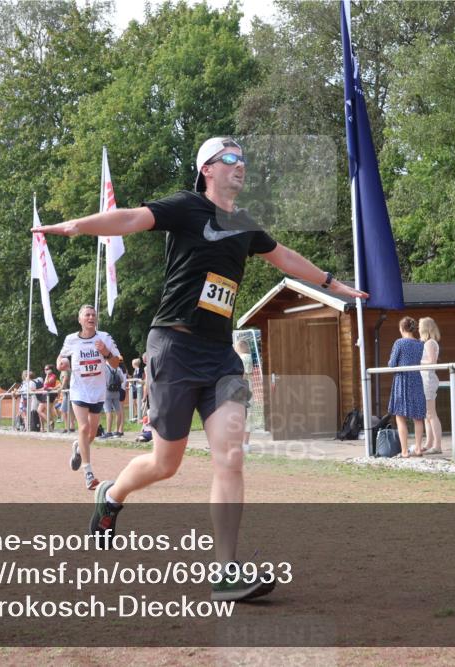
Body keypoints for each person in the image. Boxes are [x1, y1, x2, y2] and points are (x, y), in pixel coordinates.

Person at [35, 135, 366, 602]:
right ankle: (111, 495)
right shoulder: (188, 207)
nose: (241, 165)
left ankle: (226, 571)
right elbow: (130, 217)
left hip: (220, 355)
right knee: (165, 463)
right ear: (207, 169)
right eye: (230, 158)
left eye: (243, 159)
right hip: (173, 345)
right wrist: (77, 225)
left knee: (230, 456)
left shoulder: (246, 225)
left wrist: (333, 283)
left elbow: (284, 257)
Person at [56, 305, 121, 490]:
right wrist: (60, 364)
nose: (91, 317)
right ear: (80, 319)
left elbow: (116, 364)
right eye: (87, 315)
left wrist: (106, 353)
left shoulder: (104, 338)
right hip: (79, 391)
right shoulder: (71, 339)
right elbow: (60, 358)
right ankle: (88, 473)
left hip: (98, 391)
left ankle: (78, 448)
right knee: (83, 428)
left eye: (93, 315)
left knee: (91, 434)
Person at [387, 317, 426, 457]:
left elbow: (392, 364)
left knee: (400, 416)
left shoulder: (399, 343)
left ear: (402, 329)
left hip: (402, 380)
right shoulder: (420, 344)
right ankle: (418, 449)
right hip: (416, 379)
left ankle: (404, 451)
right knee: (418, 417)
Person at [418, 317, 443, 454]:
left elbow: (433, 362)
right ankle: (428, 443)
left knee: (431, 414)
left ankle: (437, 445)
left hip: (428, 379)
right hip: (425, 379)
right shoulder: (429, 343)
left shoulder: (429, 343)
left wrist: (418, 363)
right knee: (427, 415)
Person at [233, 339, 255, 452]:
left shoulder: (241, 358)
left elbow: (241, 374)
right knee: (248, 417)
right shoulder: (249, 358)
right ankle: (246, 444)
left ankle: (239, 443)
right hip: (249, 390)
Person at [102, 361, 126, 439]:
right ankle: (117, 431)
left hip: (107, 391)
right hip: (116, 391)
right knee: (118, 411)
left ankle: (108, 432)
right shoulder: (118, 368)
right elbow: (122, 380)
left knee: (108, 411)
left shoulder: (104, 368)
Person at [57, 359, 75, 434]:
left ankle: (66, 427)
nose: (59, 365)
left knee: (63, 410)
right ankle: (72, 426)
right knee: (71, 410)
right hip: (70, 392)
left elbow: (65, 379)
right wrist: (58, 387)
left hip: (67, 392)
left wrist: (60, 389)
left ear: (65, 364)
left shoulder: (65, 370)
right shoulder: (70, 370)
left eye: (61, 363)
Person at [43, 364, 60, 432]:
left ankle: (51, 425)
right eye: (45, 369)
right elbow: (45, 386)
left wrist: (47, 376)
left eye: (47, 369)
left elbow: (46, 384)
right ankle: (50, 424)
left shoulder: (53, 376)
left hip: (51, 395)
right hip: (46, 394)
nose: (45, 371)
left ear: (51, 370)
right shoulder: (48, 376)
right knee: (47, 410)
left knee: (49, 410)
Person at [129, 357, 144, 422]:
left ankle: (141, 414)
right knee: (134, 401)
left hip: (139, 388)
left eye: (132, 364)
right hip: (134, 388)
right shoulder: (134, 371)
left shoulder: (140, 370)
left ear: (134, 364)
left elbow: (142, 378)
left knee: (139, 401)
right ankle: (136, 414)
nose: (132, 365)